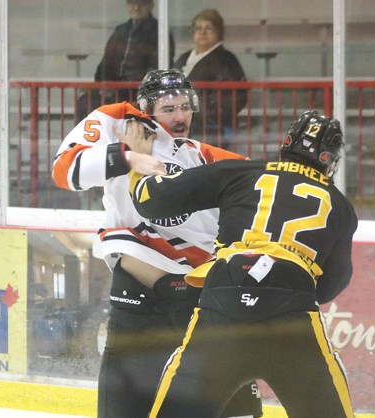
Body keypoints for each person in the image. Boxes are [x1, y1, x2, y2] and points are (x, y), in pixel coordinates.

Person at [53, 69, 262, 418]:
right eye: (169, 108)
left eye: (185, 106)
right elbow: (65, 170)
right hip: (139, 296)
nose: (180, 117)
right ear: (146, 109)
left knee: (235, 407)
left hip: (199, 298)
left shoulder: (202, 157)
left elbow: (265, 185)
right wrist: (129, 157)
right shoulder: (118, 121)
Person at [129, 110, 358, 417]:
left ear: (286, 142)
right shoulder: (340, 206)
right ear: (330, 158)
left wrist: (137, 164)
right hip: (292, 310)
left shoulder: (241, 171)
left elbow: (151, 200)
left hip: (226, 294)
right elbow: (332, 284)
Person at [76, 0, 175, 121]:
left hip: (139, 93)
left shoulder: (159, 31)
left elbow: (158, 67)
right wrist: (103, 85)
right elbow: (106, 62)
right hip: (114, 92)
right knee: (85, 102)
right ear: (127, 6)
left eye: (141, 3)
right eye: (132, 3)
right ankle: (85, 139)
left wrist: (136, 89)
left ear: (151, 6)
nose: (136, 7)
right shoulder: (121, 30)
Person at [173, 9, 247, 147]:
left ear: (219, 33)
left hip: (211, 131)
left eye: (209, 28)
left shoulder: (226, 60)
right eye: (198, 28)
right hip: (184, 126)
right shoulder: (184, 57)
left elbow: (236, 96)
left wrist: (209, 117)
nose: (203, 32)